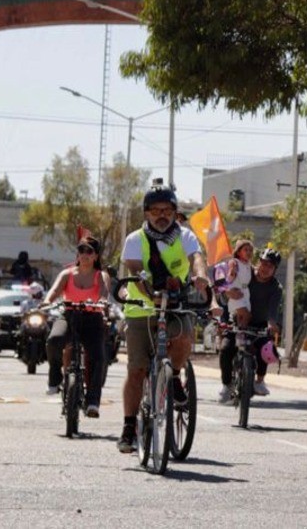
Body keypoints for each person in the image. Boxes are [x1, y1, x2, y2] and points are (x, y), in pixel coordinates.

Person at [117, 179, 209, 453]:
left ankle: (175, 375)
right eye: (155, 211)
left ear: (174, 212)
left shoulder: (185, 236)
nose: (161, 215)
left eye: (167, 211)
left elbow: (196, 258)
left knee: (184, 336)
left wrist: (200, 276)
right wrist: (150, 293)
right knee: (137, 370)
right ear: (146, 213)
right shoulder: (135, 240)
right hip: (141, 309)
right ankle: (129, 427)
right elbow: (135, 269)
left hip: (175, 305)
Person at [43, 234, 113, 417]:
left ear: (96, 256)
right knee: (54, 340)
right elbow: (54, 291)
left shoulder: (101, 276)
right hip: (69, 316)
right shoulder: (67, 274)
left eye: (89, 251)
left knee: (99, 358)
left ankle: (93, 402)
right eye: (81, 250)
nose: (84, 254)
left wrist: (103, 302)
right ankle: (55, 379)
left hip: (93, 319)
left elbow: (104, 292)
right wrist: (47, 301)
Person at [215, 248, 283, 402]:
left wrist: (272, 324)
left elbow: (273, 310)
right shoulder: (245, 272)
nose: (265, 268)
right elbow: (224, 286)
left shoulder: (276, 287)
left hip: (260, 325)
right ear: (259, 262)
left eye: (270, 266)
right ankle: (226, 385)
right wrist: (227, 292)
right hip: (237, 321)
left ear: (275, 269)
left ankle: (260, 380)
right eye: (264, 263)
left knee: (266, 347)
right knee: (226, 349)